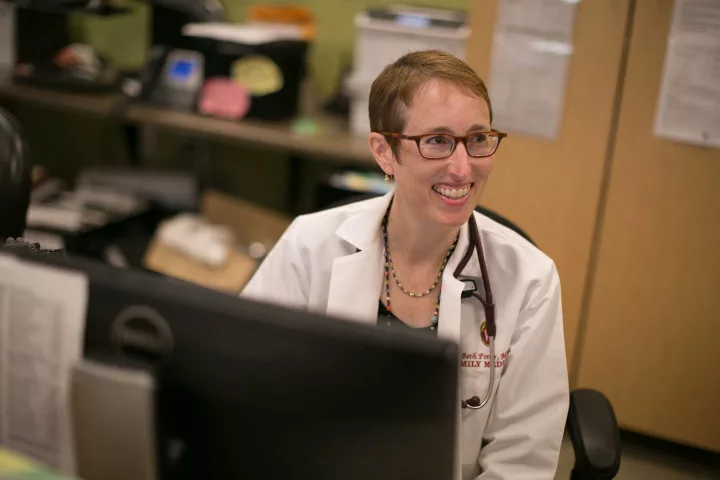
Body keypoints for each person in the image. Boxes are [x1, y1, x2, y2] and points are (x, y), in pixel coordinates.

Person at [242, 50, 569, 479]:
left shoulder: (529, 279)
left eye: (477, 139)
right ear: (384, 151)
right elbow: (245, 395)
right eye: (436, 141)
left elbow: (522, 459)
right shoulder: (309, 246)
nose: (462, 167)